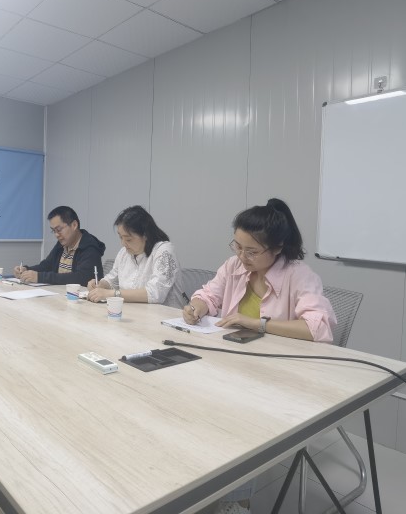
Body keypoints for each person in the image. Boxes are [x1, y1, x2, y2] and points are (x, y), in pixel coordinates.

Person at [182, 197, 336, 514]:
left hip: (278, 376)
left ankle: (236, 500)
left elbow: (317, 328)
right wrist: (197, 307)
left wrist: (257, 323)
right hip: (232, 365)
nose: (242, 257)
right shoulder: (234, 266)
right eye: (237, 247)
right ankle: (192, 477)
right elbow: (209, 294)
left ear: (277, 248)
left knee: (234, 417)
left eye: (251, 251)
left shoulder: (299, 275)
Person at [87, 205, 180, 306]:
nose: (123, 243)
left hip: (165, 313)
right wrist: (100, 285)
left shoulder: (164, 251)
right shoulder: (124, 253)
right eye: (120, 237)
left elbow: (155, 293)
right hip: (134, 311)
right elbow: (113, 280)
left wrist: (112, 294)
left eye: (128, 239)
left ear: (145, 235)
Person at [13, 206, 106, 286]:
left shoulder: (90, 247)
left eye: (59, 229)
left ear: (74, 225)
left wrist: (39, 277)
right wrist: (26, 270)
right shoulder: (62, 244)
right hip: (59, 294)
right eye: (54, 231)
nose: (56, 235)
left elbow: (81, 278)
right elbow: (47, 265)